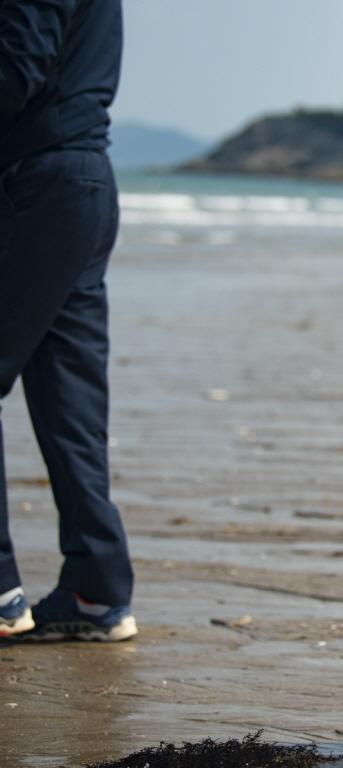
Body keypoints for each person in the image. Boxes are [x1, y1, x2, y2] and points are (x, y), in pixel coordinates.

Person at [0, 0, 136, 642]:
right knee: (69, 401)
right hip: (81, 182)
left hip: (37, 182)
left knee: (72, 402)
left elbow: (13, 71)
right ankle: (95, 590)